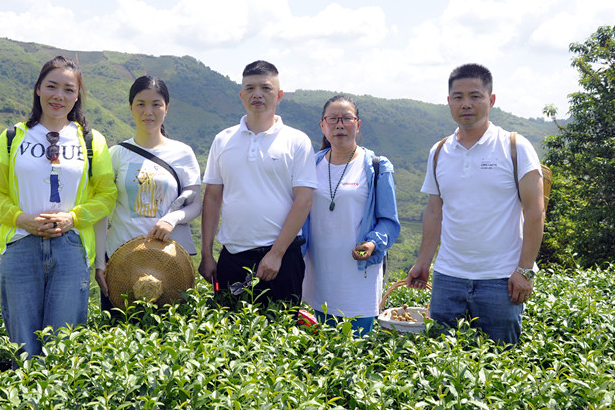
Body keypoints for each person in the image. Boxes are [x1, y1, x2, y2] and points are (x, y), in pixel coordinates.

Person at [0, 55, 117, 358]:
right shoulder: (11, 138)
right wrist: (21, 219)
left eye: (69, 89)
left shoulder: (92, 141)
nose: (59, 96)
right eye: (52, 86)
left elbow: (107, 195)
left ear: (77, 96)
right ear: (38, 89)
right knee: (23, 347)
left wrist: (73, 218)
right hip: (20, 246)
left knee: (63, 346)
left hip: (71, 248)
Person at [407, 63, 544, 345]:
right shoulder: (439, 151)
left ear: (491, 100)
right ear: (448, 102)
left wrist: (525, 270)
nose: (466, 104)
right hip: (447, 278)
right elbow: (434, 211)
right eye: (458, 97)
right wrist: (423, 262)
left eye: (475, 96)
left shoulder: (515, 147)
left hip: (501, 279)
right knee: (442, 366)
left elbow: (535, 211)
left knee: (501, 367)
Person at [199, 60, 317, 304]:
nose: (257, 94)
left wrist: (276, 254)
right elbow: (212, 197)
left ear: (279, 95)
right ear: (241, 95)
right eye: (250, 88)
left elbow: (304, 200)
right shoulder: (223, 140)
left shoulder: (297, 141)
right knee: (228, 337)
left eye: (266, 88)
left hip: (282, 259)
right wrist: (206, 254)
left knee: (280, 335)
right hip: (232, 258)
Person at [94, 76, 202, 309]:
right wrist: (98, 262)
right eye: (141, 104)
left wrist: (172, 219)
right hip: (121, 263)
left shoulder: (182, 153)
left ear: (167, 108)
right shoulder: (116, 154)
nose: (148, 112)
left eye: (156, 104)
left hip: (168, 266)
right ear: (130, 107)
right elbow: (102, 210)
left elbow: (195, 204)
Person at [301, 95, 400, 336]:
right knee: (319, 353)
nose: (339, 124)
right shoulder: (310, 165)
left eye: (346, 118)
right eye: (332, 118)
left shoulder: (375, 166)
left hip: (358, 277)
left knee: (355, 351)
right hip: (318, 276)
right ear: (322, 125)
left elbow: (389, 221)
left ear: (358, 124)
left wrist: (372, 242)